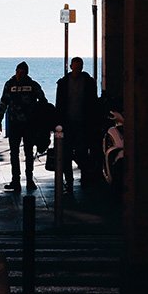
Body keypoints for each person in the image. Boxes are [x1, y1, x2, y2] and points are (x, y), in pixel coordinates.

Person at [0, 61, 47, 192]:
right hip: (14, 124)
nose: (19, 74)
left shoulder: (33, 85)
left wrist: (40, 120)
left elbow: (43, 102)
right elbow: (3, 102)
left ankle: (29, 179)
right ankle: (15, 181)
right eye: (18, 71)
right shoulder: (9, 84)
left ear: (26, 73)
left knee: (28, 153)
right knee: (14, 153)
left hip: (29, 125)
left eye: (22, 72)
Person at [55, 56, 98, 192]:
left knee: (82, 152)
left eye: (80, 66)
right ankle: (70, 181)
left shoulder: (88, 82)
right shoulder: (63, 83)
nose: (78, 69)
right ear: (71, 66)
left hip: (82, 123)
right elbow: (59, 104)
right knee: (67, 154)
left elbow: (93, 103)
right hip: (68, 123)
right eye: (76, 66)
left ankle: (84, 178)